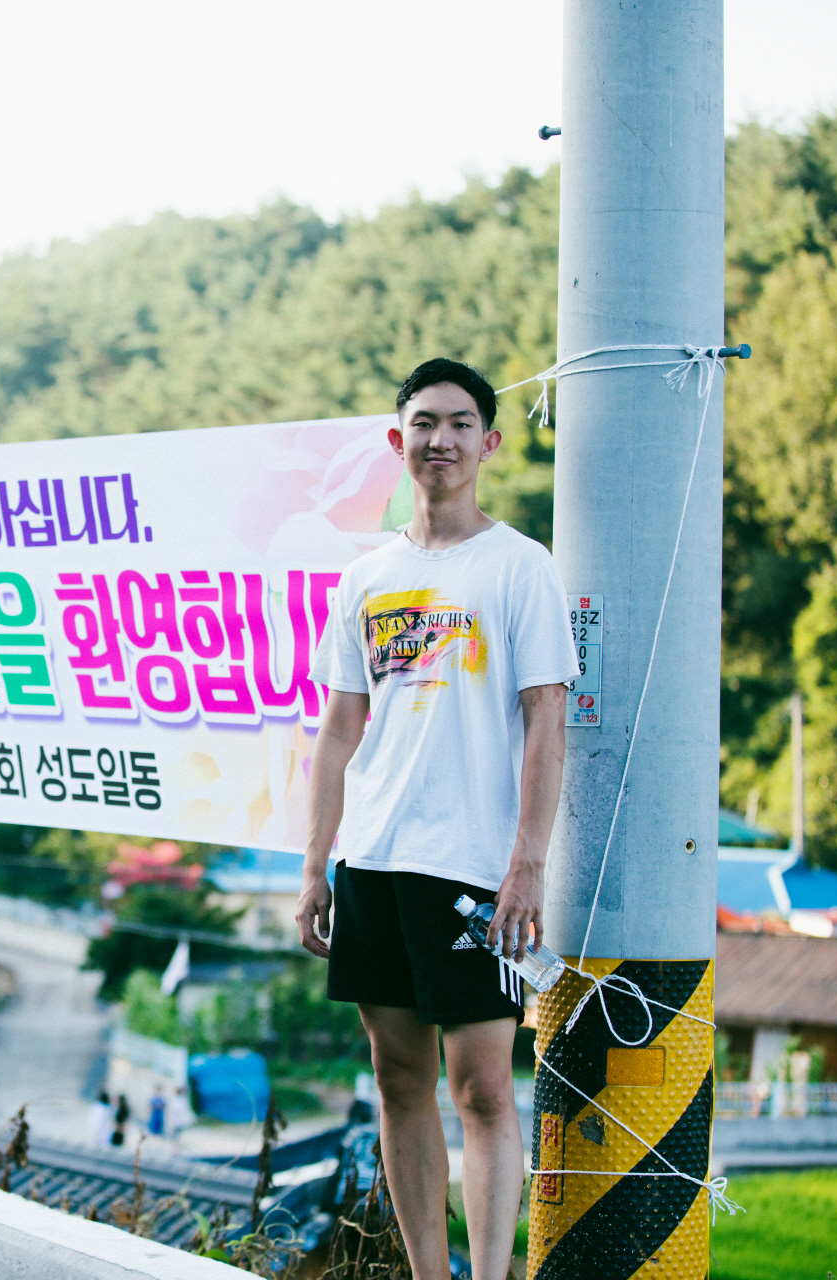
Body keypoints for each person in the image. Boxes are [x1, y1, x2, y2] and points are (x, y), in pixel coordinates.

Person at [295, 358, 575, 1280]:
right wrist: (316, 865)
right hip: (375, 859)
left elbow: (546, 716)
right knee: (399, 1081)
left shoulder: (520, 566)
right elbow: (339, 729)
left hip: (475, 867)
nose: (440, 440)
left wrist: (526, 863)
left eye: (459, 424)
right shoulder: (367, 577)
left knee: (483, 1086)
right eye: (424, 423)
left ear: (488, 443)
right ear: (398, 439)